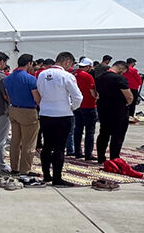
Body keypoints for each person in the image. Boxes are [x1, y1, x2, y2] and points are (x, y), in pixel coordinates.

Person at [36, 52, 83, 187]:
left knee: (47, 145)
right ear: (67, 62)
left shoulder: (42, 74)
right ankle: (57, 178)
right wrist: (72, 107)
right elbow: (78, 97)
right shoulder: (66, 76)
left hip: (45, 114)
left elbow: (40, 91)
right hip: (62, 115)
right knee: (59, 147)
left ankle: (46, 174)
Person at [4, 54, 40, 177]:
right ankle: (25, 169)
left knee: (15, 140)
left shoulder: (8, 78)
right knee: (28, 142)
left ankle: (14, 167)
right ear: (29, 63)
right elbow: (37, 98)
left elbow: (7, 95)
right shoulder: (30, 79)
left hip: (14, 109)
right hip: (28, 111)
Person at [95, 60, 134, 162]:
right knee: (117, 135)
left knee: (104, 133)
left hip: (103, 109)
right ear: (121, 68)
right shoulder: (119, 78)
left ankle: (101, 157)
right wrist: (128, 103)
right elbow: (129, 96)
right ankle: (114, 157)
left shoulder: (99, 77)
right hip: (118, 110)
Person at [72, 58, 99, 161]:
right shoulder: (88, 76)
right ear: (88, 67)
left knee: (78, 129)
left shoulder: (73, 74)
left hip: (77, 105)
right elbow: (92, 92)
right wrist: (97, 97)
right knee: (89, 131)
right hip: (88, 105)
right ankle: (88, 153)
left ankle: (77, 152)